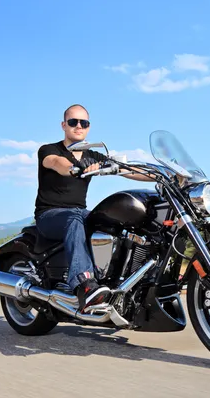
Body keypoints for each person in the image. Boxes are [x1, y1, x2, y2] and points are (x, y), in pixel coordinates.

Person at [34, 104, 155, 312]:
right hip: (50, 215)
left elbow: (127, 170)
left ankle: (127, 279)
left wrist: (159, 175)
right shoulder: (50, 150)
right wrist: (73, 168)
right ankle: (85, 285)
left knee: (114, 222)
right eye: (73, 122)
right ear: (64, 125)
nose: (78, 126)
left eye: (84, 123)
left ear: (89, 127)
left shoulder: (93, 156)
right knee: (74, 217)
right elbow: (56, 163)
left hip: (79, 213)